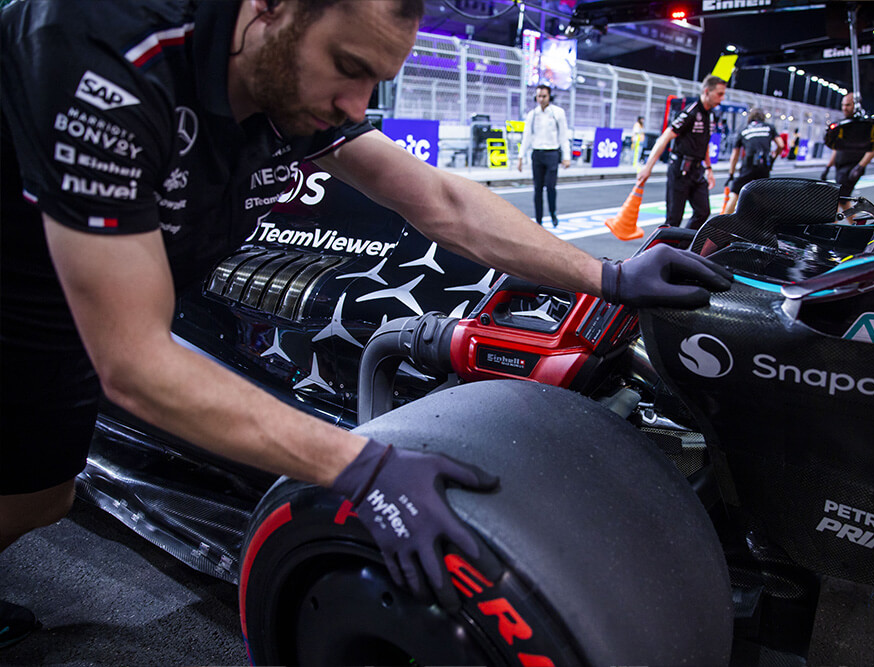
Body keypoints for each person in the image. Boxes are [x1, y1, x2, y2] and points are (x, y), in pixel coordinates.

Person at [0, 0, 733, 647]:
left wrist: (606, 276)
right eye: (348, 67)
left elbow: (441, 201)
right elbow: (132, 360)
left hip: (84, 267)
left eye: (375, 81)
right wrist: (359, 466)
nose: (355, 104)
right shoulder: (106, 55)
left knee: (40, 497)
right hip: (24, 270)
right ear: (269, 8)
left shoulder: (291, 79)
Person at [639, 75, 727, 230]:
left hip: (697, 170)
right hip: (680, 170)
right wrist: (648, 167)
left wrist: (709, 169)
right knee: (673, 220)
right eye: (719, 94)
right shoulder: (690, 112)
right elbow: (664, 137)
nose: (722, 98)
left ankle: (682, 243)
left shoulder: (711, 115)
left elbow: (704, 143)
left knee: (703, 212)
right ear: (707, 91)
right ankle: (664, 245)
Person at [516, 84, 571, 227]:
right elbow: (527, 136)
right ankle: (538, 220)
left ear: (549, 97)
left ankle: (553, 213)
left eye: (544, 96)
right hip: (537, 154)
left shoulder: (558, 113)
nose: (541, 99)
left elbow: (563, 135)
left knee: (551, 187)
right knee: (537, 189)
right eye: (539, 96)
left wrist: (566, 156)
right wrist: (520, 157)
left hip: (552, 154)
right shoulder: (532, 114)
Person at [723, 108, 785, 214]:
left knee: (735, 193)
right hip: (764, 164)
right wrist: (773, 157)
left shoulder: (744, 130)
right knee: (762, 196)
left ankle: (724, 222)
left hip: (748, 164)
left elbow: (734, 156)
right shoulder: (769, 127)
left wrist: (731, 173)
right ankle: (761, 222)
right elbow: (781, 145)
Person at [821, 92, 874, 197]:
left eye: (848, 105)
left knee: (840, 198)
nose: (844, 108)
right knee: (843, 199)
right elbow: (837, 147)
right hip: (840, 166)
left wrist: (859, 167)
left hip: (851, 167)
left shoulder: (865, 126)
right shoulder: (844, 124)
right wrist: (828, 166)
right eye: (843, 105)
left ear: (856, 105)